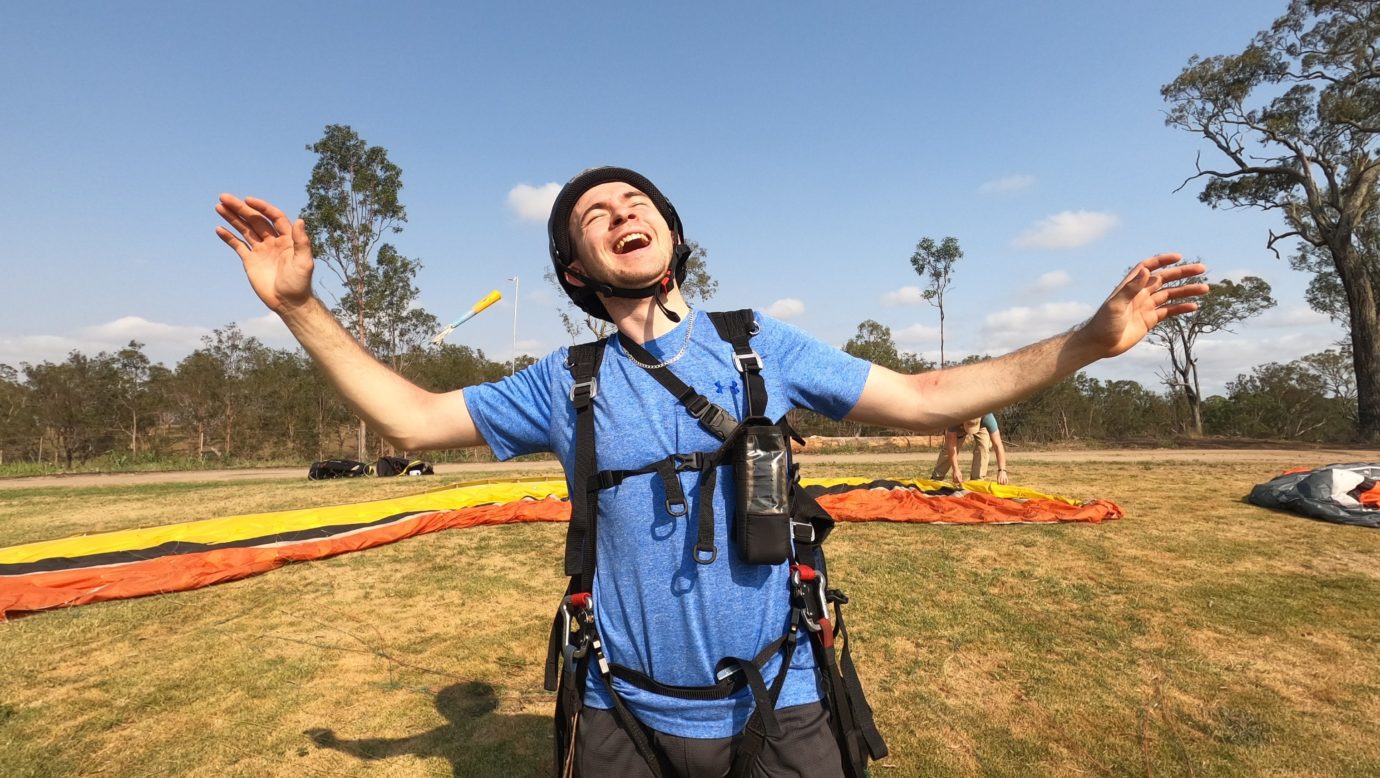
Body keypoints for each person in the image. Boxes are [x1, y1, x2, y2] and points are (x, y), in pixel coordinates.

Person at [214, 166, 1206, 778]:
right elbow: (411, 417)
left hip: (784, 697)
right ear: (576, 270)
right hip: (620, 709)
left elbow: (926, 396)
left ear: (671, 237)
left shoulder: (759, 343)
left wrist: (1085, 339)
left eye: (636, 199)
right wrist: (301, 308)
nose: (622, 208)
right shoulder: (566, 380)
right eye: (595, 211)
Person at [931, 413, 1008, 484]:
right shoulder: (954, 418)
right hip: (959, 424)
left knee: (984, 446)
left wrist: (1002, 470)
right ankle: (936, 478)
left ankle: (977, 481)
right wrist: (955, 470)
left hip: (981, 425)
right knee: (947, 451)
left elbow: (998, 445)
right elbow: (952, 446)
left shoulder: (987, 417)